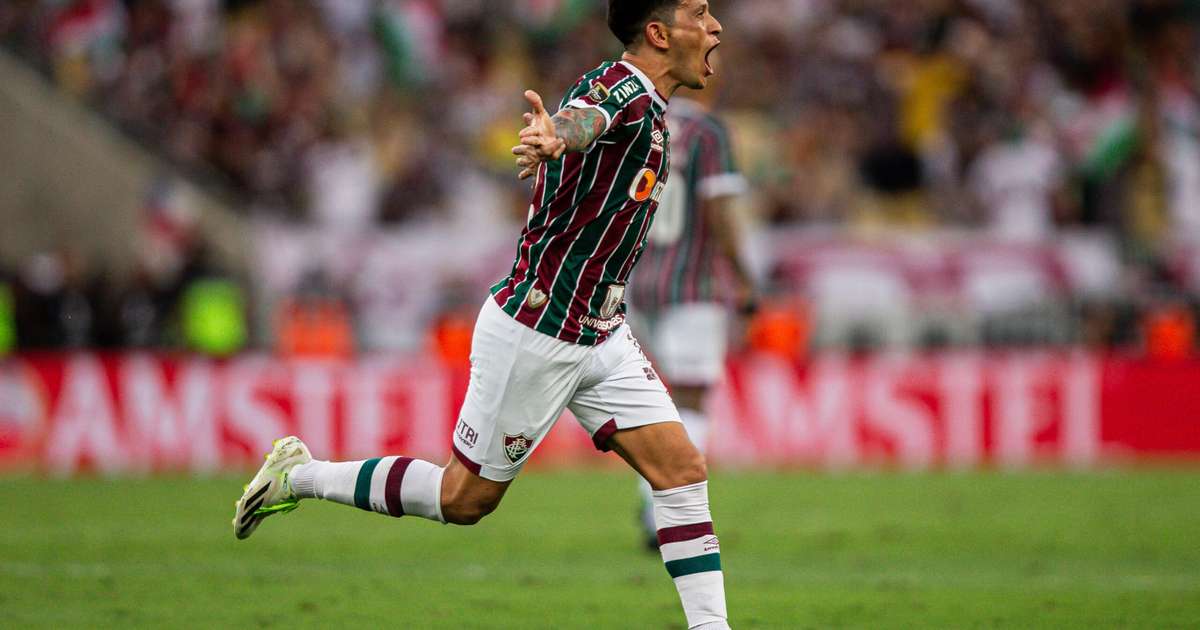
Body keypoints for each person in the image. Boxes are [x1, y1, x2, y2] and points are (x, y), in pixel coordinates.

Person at [233, 2, 729, 627]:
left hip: (601, 333)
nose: (715, 27)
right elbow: (588, 120)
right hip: (540, 330)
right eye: (701, 13)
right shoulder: (626, 89)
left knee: (682, 468)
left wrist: (563, 136)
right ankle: (301, 475)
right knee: (462, 499)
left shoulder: (649, 104)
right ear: (659, 33)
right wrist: (558, 134)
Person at [628, 61, 754, 550]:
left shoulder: (638, 122)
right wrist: (744, 280)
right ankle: (668, 512)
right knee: (692, 398)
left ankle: (653, 504)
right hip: (693, 288)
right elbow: (720, 211)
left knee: (655, 404)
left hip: (639, 285)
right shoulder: (707, 131)